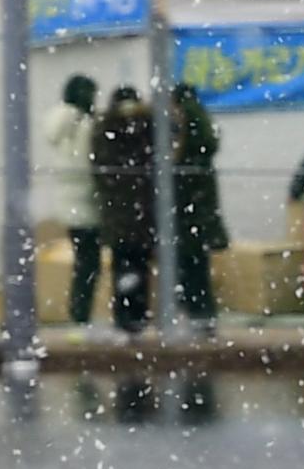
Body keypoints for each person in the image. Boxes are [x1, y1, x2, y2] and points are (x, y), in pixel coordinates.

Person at [86, 85, 160, 335]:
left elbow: (99, 167)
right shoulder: (149, 125)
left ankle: (124, 317)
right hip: (145, 210)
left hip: (117, 211)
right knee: (141, 265)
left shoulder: (105, 127)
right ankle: (139, 316)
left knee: (122, 264)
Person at [41, 72, 104, 324]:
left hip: (70, 202)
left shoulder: (59, 121)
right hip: (87, 200)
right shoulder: (83, 123)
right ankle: (80, 315)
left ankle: (79, 314)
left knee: (85, 262)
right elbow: (90, 160)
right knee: (89, 264)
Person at [169, 80, 229, 327]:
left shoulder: (182, 126)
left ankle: (195, 313)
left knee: (188, 266)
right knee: (198, 266)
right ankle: (204, 315)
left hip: (185, 210)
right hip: (200, 210)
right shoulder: (203, 125)